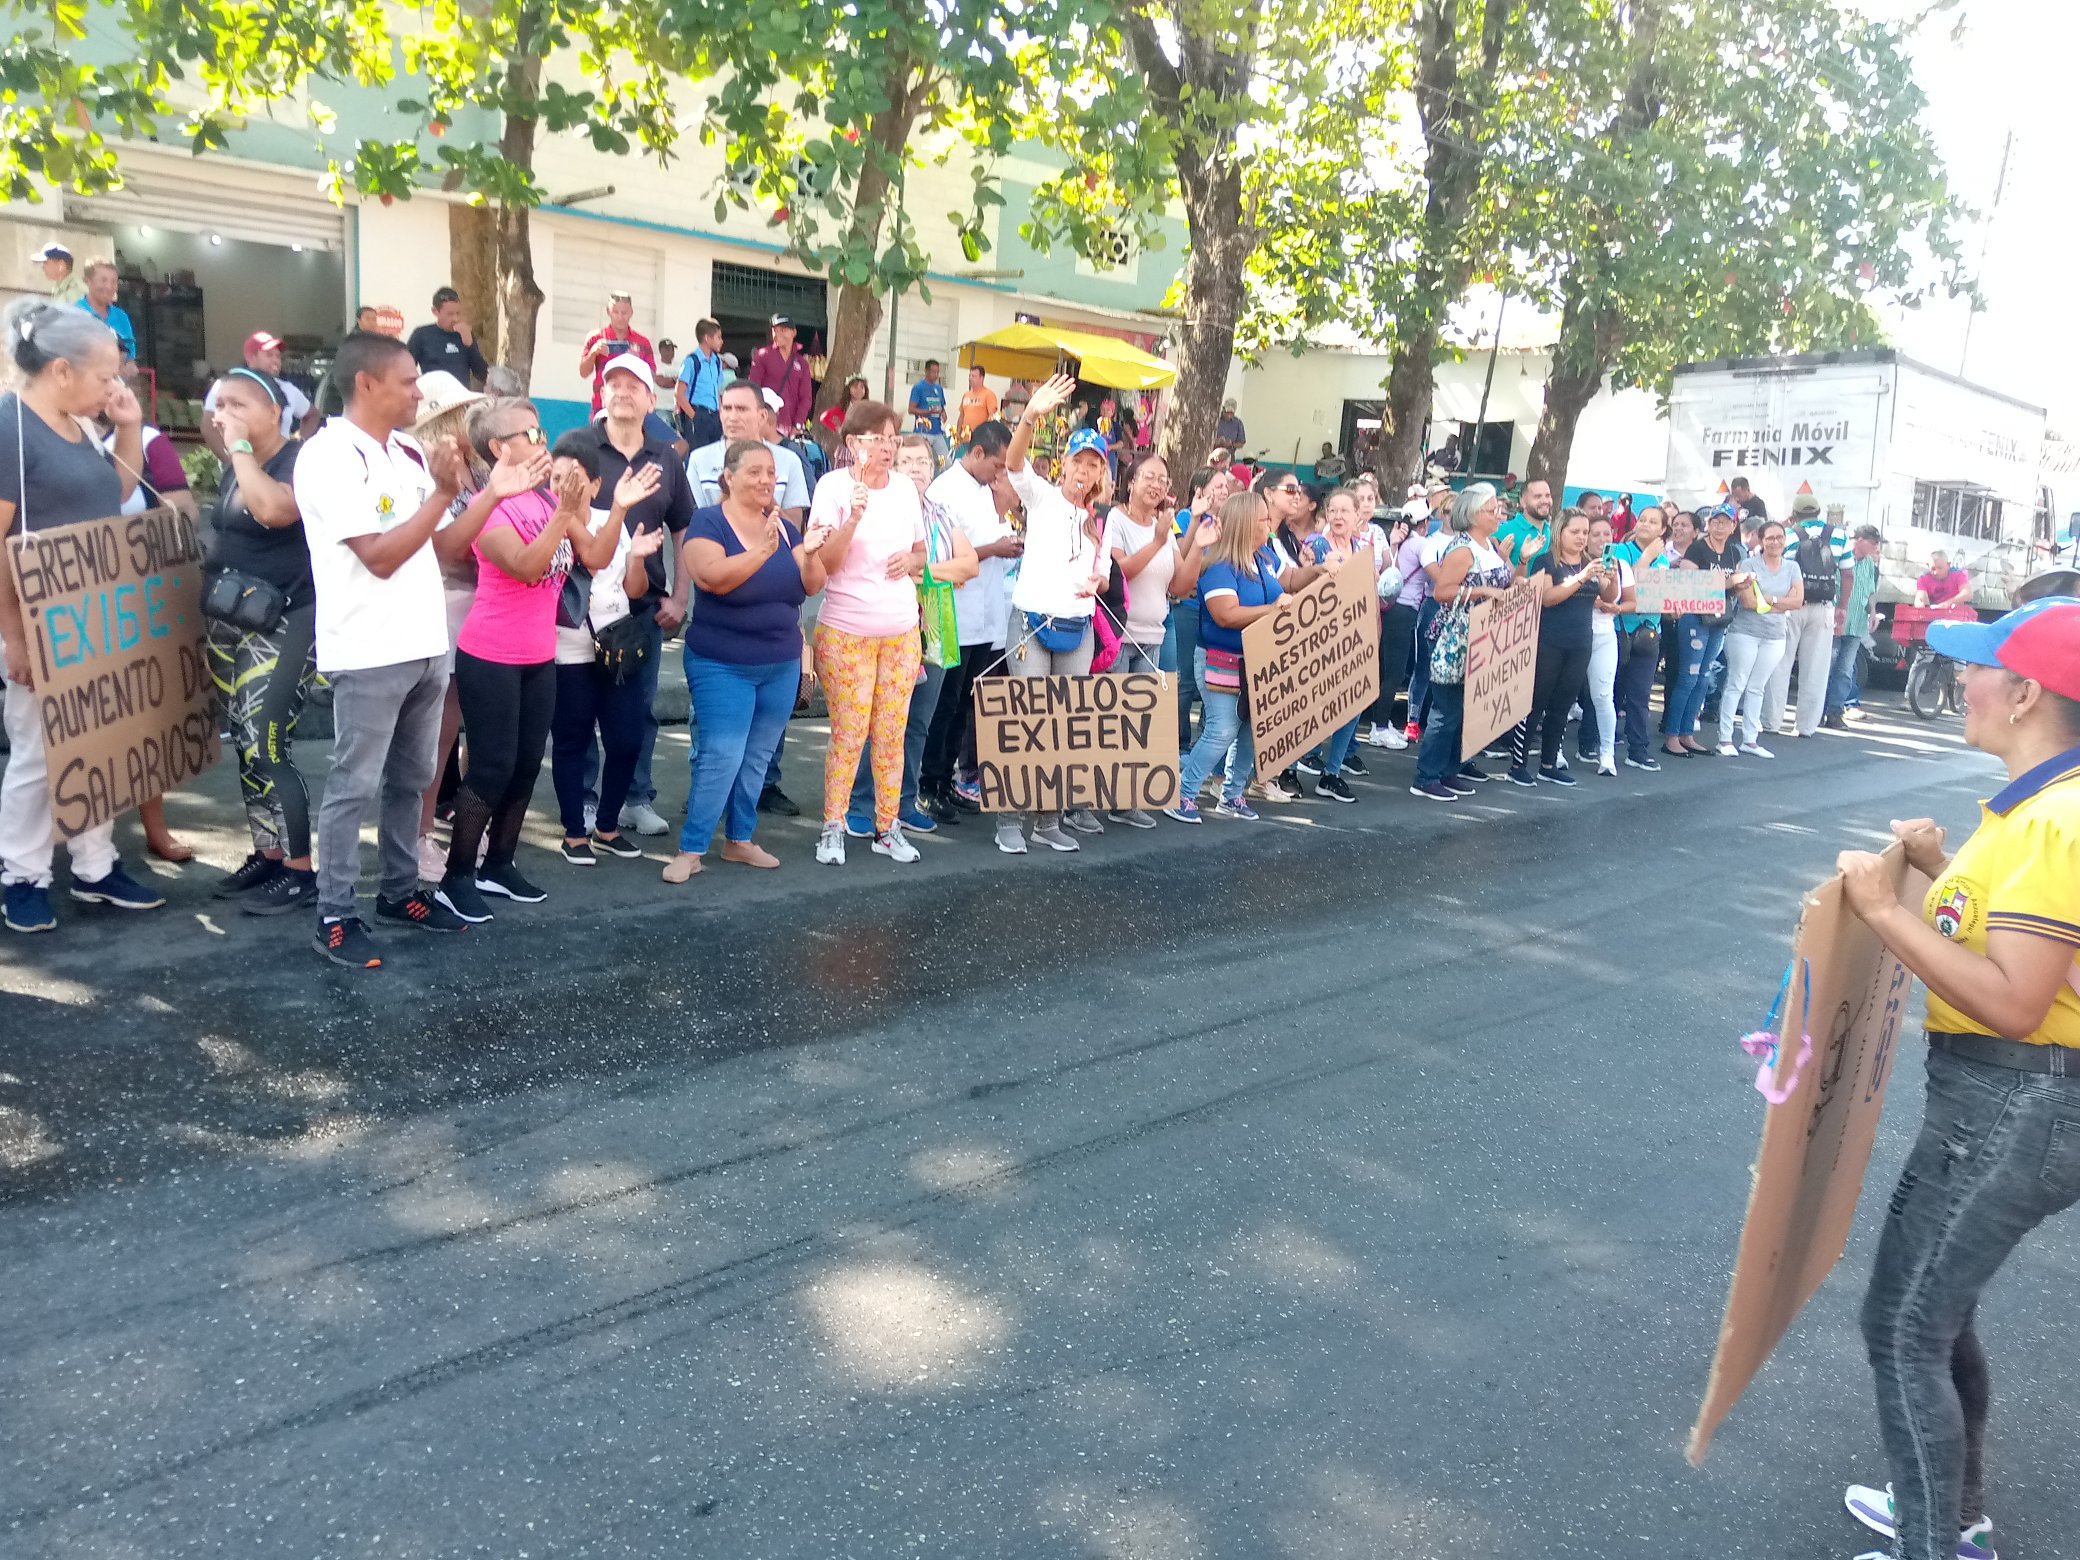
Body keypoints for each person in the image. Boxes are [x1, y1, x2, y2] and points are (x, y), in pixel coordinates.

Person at [1830, 596, 2080, 1560]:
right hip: (2006, 1099)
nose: (1958, 681)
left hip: (2019, 1099)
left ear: (2025, 694)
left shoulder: (2058, 820)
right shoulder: (2037, 807)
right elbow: (2000, 939)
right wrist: (1935, 875)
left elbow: (2016, 998)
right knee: (1937, 1311)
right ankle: (1949, 1511)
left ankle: (1934, 1544)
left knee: (1902, 1328)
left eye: (1978, 666)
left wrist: (1883, 911)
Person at [295, 330, 477, 966]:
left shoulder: (405, 451)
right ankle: (335, 913)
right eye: (406, 380)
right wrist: (444, 495)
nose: (417, 391)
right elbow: (378, 556)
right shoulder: (326, 457)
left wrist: (495, 488)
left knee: (414, 778)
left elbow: (445, 546)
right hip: (369, 648)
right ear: (366, 383)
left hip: (425, 643)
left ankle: (400, 891)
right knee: (354, 783)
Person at [0, 298, 166, 934]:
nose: (113, 387)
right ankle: (22, 874)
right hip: (37, 624)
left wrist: (126, 427)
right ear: (61, 370)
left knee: (98, 743)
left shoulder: (79, 425)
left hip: (91, 620)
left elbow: (112, 497)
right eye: (105, 378)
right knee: (39, 753)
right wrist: (15, 638)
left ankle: (96, 866)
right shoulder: (12, 427)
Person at [436, 426, 627, 922]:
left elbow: (596, 557)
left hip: (538, 657)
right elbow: (525, 566)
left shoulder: (546, 503)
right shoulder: (492, 506)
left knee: (524, 767)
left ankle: (499, 863)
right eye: (529, 433)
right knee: (491, 768)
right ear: (500, 449)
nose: (542, 442)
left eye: (541, 432)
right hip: (491, 655)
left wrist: (618, 507)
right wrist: (564, 513)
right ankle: (456, 877)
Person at [656, 441, 826, 882]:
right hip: (721, 663)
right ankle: (691, 849)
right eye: (754, 472)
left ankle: (739, 840)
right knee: (722, 755)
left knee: (756, 758)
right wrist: (760, 553)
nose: (766, 480)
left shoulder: (784, 527)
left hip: (781, 663)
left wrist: (814, 550)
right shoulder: (707, 522)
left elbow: (810, 585)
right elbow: (711, 578)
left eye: (770, 472)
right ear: (727, 478)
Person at [199, 367, 322, 914]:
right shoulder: (237, 463)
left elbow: (275, 510)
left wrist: (240, 451)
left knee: (269, 743)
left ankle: (300, 872)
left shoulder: (300, 460)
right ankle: (268, 854)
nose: (224, 414)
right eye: (219, 405)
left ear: (276, 411)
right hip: (234, 623)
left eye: (238, 404)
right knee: (246, 743)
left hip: (287, 621)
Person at [565, 353, 697, 837]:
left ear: (650, 398)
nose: (621, 390)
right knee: (577, 717)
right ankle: (581, 802)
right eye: (612, 383)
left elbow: (683, 528)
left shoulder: (666, 457)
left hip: (641, 606)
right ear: (602, 394)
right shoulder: (576, 446)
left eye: (633, 384)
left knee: (636, 714)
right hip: (578, 607)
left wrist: (680, 597)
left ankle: (633, 798)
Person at [806, 398, 927, 866]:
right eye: (878, 438)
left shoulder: (903, 490)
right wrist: (854, 516)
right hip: (846, 630)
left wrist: (913, 561)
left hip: (900, 631)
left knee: (891, 734)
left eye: (892, 438)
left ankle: (887, 826)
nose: (887, 448)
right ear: (852, 442)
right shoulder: (832, 488)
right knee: (850, 731)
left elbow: (920, 551)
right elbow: (823, 564)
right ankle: (833, 826)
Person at [844, 435, 979, 837]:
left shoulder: (941, 513)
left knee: (919, 720)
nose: (917, 468)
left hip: (936, 619)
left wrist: (921, 573)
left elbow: (969, 565)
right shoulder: (879, 509)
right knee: (879, 720)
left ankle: (903, 802)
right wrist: (941, 573)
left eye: (923, 461)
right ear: (893, 467)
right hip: (887, 617)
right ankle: (861, 803)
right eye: (907, 461)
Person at [1000, 373, 1111, 853]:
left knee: (1064, 728)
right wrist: (1031, 416)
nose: (1084, 471)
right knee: (1028, 722)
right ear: (1064, 465)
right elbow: (1014, 462)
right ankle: (1009, 820)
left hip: (1078, 628)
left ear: (1102, 475)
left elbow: (1102, 576)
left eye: (1094, 464)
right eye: (1078, 462)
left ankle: (1048, 821)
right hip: (1032, 625)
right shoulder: (1041, 496)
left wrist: (1096, 581)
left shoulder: (1096, 522)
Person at [920, 424, 1019, 820]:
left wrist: (1004, 545)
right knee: (944, 705)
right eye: (996, 465)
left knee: (965, 703)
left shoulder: (983, 491)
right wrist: (994, 548)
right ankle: (929, 785)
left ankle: (948, 782)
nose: (999, 474)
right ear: (976, 453)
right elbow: (941, 554)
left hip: (986, 616)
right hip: (954, 613)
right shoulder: (944, 491)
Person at [1164, 491, 1275, 825]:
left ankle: (1233, 795)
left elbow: (1289, 581)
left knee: (1254, 730)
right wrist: (1273, 610)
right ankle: (1183, 793)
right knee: (1222, 729)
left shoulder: (1264, 559)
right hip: (1220, 659)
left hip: (1256, 660)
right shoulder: (1218, 566)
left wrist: (1317, 574)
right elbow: (1226, 615)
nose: (1270, 526)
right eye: (1263, 520)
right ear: (1244, 525)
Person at [1408, 484, 1516, 800]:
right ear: (1472, 514)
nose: (1498, 515)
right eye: (1491, 509)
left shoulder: (1489, 546)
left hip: (1482, 635)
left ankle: (1450, 770)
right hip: (1454, 637)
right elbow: (1442, 592)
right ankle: (1426, 776)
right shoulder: (1462, 549)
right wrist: (1483, 592)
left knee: (1466, 710)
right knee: (1447, 710)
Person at [1508, 509, 1617, 787]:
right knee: (1536, 702)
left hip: (1581, 642)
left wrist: (1611, 576)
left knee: (1563, 704)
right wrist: (1581, 577)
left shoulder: (1590, 562)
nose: (1581, 538)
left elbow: (1608, 595)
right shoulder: (1548, 561)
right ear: (1560, 532)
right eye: (1575, 532)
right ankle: (1518, 763)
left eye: (1585, 532)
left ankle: (1548, 763)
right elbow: (1547, 598)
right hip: (1550, 640)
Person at [1712, 518, 1803, 758]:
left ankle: (1750, 740)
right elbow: (1749, 602)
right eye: (1770, 537)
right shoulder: (1748, 564)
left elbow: (1798, 601)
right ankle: (1725, 738)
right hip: (1745, 632)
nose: (1775, 542)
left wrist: (1769, 600)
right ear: (1761, 540)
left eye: (1779, 537)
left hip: (1775, 636)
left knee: (1757, 687)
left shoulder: (1793, 567)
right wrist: (1780, 602)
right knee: (1736, 683)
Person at [1663, 505, 1749, 757]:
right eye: (1715, 521)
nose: (1720, 526)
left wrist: (1739, 584)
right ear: (1709, 525)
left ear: (1733, 526)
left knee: (1704, 677)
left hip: (1719, 619)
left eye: (1725, 522)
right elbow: (1689, 583)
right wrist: (1729, 581)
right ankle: (1672, 735)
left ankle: (1687, 732)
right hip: (1695, 617)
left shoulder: (1734, 552)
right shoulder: (1698, 549)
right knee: (1688, 676)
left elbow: (1731, 587)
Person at [1769, 493, 1844, 739]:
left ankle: (1771, 720)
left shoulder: (1788, 535)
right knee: (1816, 669)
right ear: (1819, 511)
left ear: (1795, 514)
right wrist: (1841, 607)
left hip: (1791, 606)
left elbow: (1780, 570)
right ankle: (1806, 726)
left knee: (1780, 663)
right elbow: (1849, 573)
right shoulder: (1839, 535)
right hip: (1823, 607)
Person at [1170, 465, 1233, 751]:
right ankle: (1178, 743)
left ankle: (1205, 742)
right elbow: (1180, 561)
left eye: (1225, 486)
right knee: (1183, 678)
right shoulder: (1184, 517)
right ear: (1199, 491)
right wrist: (1196, 521)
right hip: (1189, 606)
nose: (1224, 490)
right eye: (1217, 486)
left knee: (1213, 682)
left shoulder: (1228, 523)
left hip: (1214, 608)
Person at [689, 379, 811, 520]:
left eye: (742, 409)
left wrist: (766, 496)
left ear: (762, 416)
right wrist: (729, 490)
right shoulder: (699, 459)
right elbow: (694, 523)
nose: (733, 417)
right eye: (727, 409)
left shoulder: (789, 460)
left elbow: (794, 529)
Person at [1607, 504, 1667, 772]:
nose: (1645, 524)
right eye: (1642, 519)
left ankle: (1638, 749)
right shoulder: (1621, 550)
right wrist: (1646, 558)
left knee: (1640, 695)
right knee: (1609, 691)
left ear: (1663, 529)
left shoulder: (1663, 559)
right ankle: (1595, 742)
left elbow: (1661, 592)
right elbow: (1624, 585)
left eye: (1653, 522)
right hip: (1621, 628)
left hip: (1649, 631)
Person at [202, 331, 316, 454]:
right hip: (240, 466)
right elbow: (209, 428)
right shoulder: (226, 386)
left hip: (280, 467)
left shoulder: (287, 389)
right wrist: (229, 461)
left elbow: (312, 415)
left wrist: (302, 446)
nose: (275, 361)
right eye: (269, 355)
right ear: (250, 357)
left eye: (278, 356)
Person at [1583, 513, 1632, 776]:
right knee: (1564, 695)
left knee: (1603, 696)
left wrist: (1614, 599)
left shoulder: (1619, 564)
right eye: (1595, 534)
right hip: (1575, 633)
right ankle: (1554, 752)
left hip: (1604, 634)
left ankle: (1607, 754)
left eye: (1606, 534)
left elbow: (1623, 599)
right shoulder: (1575, 562)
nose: (1602, 539)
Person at [1826, 525, 1884, 729]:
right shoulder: (1841, 557)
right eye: (1873, 542)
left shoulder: (1869, 564)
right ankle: (1818, 710)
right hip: (1835, 620)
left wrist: (1873, 612)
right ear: (1859, 540)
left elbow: (1870, 591)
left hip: (1857, 621)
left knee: (1845, 670)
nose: (1876, 547)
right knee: (1827, 666)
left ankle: (1835, 712)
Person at [576, 291, 653, 414]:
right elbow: (583, 372)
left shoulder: (642, 343)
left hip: (632, 407)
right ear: (608, 311)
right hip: (602, 406)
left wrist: (637, 362)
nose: (620, 317)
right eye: (616, 312)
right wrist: (593, 353)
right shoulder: (596, 338)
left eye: (624, 313)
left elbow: (651, 376)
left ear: (631, 313)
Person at [405, 287, 489, 388]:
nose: (455, 318)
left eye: (458, 313)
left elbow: (483, 375)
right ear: (435, 311)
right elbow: (405, 370)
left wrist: (470, 345)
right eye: (450, 314)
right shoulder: (421, 335)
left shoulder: (465, 334)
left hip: (461, 398)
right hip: (435, 399)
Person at [749, 314, 814, 437]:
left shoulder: (802, 363)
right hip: (766, 424)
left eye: (783, 330)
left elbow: (806, 397)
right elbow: (753, 388)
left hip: (791, 428)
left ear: (794, 332)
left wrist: (798, 424)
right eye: (775, 330)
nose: (777, 334)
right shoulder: (763, 355)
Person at [674, 317, 727, 448]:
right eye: (718, 337)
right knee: (697, 456)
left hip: (715, 416)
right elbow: (679, 393)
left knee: (715, 457)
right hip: (698, 413)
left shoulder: (717, 361)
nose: (721, 341)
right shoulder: (692, 361)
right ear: (707, 338)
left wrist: (721, 413)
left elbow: (717, 390)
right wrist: (694, 417)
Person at [1495, 477, 1554, 574]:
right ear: (1523, 502)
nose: (1545, 501)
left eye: (1547, 495)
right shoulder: (1504, 531)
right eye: (1538, 496)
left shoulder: (1548, 530)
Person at [907, 359, 948, 462]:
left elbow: (941, 406)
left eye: (938, 372)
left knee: (946, 463)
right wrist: (929, 412)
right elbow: (911, 409)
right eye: (933, 372)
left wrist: (943, 414)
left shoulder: (939, 388)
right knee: (923, 461)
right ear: (926, 371)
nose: (936, 375)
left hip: (937, 432)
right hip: (923, 432)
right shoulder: (918, 387)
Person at [955, 365, 997, 446]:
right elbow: (961, 416)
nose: (970, 378)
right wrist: (957, 434)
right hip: (965, 438)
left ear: (981, 378)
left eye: (973, 376)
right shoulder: (966, 395)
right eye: (969, 376)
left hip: (980, 439)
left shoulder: (988, 394)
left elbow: (992, 418)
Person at [33, 241, 82, 306]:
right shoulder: (59, 287)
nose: (43, 267)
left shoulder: (76, 291)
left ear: (61, 265)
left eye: (46, 262)